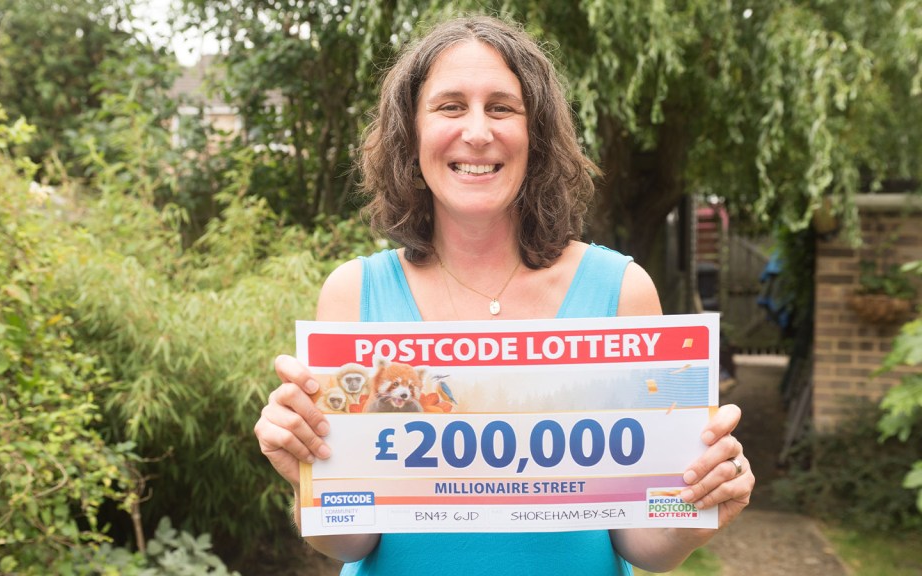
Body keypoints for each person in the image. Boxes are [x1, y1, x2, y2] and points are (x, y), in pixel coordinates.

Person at [254, 15, 754, 575]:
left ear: (535, 136)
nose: (477, 131)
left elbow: (642, 543)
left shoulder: (622, 292)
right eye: (449, 106)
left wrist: (691, 515)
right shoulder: (353, 295)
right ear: (411, 133)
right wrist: (304, 471)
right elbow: (351, 541)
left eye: (501, 107)